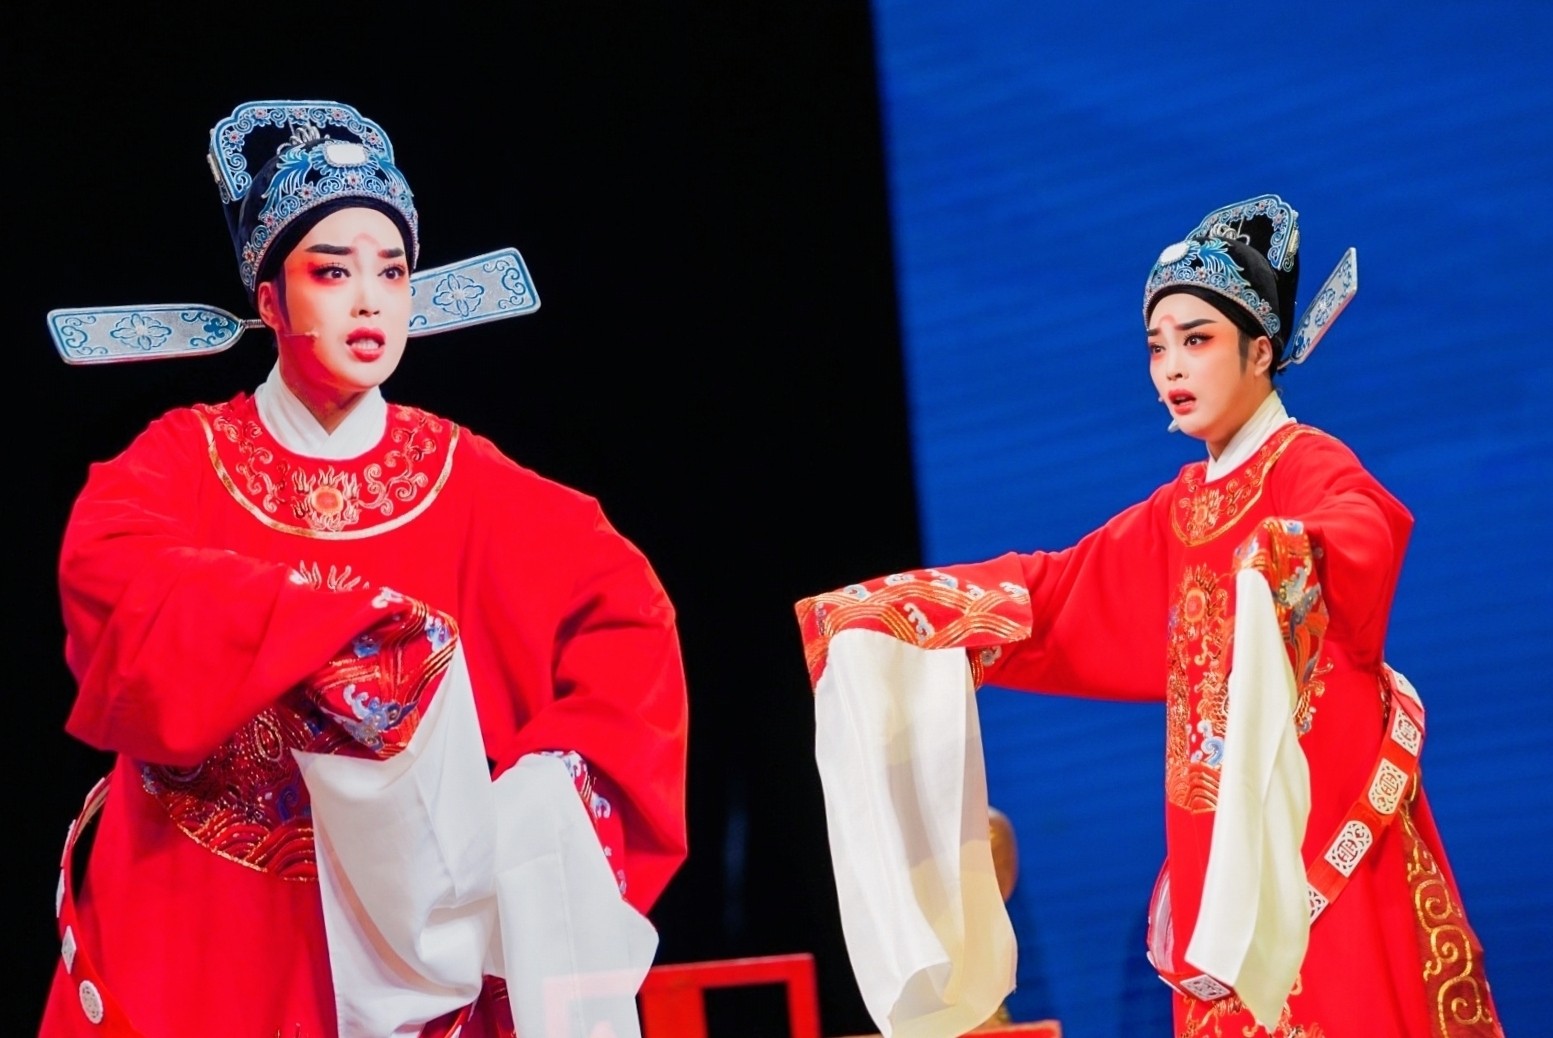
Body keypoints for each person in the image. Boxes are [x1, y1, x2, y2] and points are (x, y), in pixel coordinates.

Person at [40, 100, 689, 1038]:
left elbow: (624, 614)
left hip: (408, 927)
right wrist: (335, 634)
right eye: (331, 271)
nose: (369, 299)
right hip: (209, 915)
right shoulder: (187, 457)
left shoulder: (466, 478)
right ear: (270, 302)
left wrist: (537, 797)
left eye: (391, 272)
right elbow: (111, 572)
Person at [795, 194, 1503, 1038]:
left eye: (1196, 340)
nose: (1171, 366)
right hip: (1218, 848)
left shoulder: (1303, 463)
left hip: (1314, 827)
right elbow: (1055, 593)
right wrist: (900, 611)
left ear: (1261, 350)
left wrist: (1288, 556)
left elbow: (1361, 525)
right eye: (1156, 345)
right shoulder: (1180, 513)